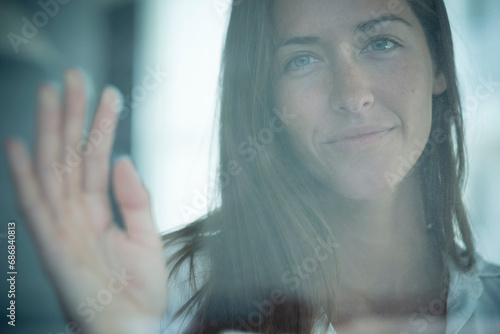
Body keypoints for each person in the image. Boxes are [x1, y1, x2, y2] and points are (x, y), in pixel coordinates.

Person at [4, 0, 500, 333]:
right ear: (265, 97)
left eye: (381, 43)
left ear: (438, 63)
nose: (352, 96)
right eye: (302, 59)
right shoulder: (166, 294)